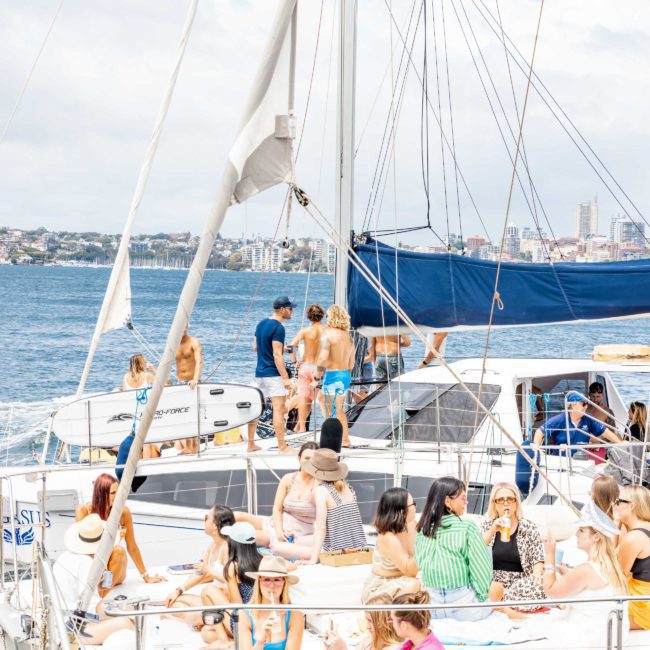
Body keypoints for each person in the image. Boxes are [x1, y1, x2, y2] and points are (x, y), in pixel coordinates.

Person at [541, 503, 628, 646]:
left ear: (596, 537)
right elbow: (594, 587)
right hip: (612, 634)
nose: (576, 534)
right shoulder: (612, 565)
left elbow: (550, 591)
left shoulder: (586, 570)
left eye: (581, 530)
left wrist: (549, 554)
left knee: (542, 623)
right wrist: (569, 574)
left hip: (590, 638)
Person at [414, 477, 492, 621]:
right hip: (463, 606)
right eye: (463, 498)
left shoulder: (421, 530)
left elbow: (419, 563)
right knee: (495, 592)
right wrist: (482, 598)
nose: (466, 502)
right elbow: (481, 569)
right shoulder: (467, 527)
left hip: (433, 607)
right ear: (448, 501)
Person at [75, 473, 164, 594]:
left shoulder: (123, 512)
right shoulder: (84, 511)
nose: (118, 496)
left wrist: (146, 576)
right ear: (101, 494)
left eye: (118, 492)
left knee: (119, 551)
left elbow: (132, 546)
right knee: (108, 555)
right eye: (113, 493)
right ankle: (103, 588)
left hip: (114, 566)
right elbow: (82, 547)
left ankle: (104, 592)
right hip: (93, 563)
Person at [53, 514, 134, 644]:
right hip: (74, 627)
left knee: (122, 612)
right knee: (127, 623)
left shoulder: (63, 557)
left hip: (59, 619)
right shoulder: (87, 563)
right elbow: (90, 608)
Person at [165, 505, 235, 627]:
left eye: (207, 518)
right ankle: (199, 621)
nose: (204, 521)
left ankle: (195, 621)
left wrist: (208, 570)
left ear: (215, 525)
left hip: (223, 600)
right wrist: (179, 590)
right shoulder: (212, 546)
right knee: (174, 602)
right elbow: (199, 573)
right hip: (211, 599)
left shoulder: (227, 547)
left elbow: (232, 580)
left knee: (178, 607)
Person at [479, 482, 545, 612]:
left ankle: (499, 604)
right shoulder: (487, 526)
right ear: (494, 504)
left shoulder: (529, 527)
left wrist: (537, 572)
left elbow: (538, 557)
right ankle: (504, 603)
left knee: (530, 588)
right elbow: (477, 552)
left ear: (516, 503)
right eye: (500, 500)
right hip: (493, 582)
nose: (505, 503)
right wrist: (493, 530)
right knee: (487, 589)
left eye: (510, 499)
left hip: (520, 582)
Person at [200, 521, 263, 648]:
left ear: (234, 543)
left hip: (245, 623)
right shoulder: (262, 558)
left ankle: (224, 640)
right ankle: (229, 640)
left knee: (208, 590)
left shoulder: (233, 567)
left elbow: (237, 604)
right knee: (207, 633)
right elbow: (290, 566)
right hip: (259, 622)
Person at [247, 297, 296, 453]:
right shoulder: (279, 328)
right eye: (290, 309)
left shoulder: (261, 324)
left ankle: (250, 444)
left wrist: (282, 349)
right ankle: (282, 446)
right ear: (282, 310)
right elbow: (276, 355)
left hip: (259, 373)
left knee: (256, 409)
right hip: (273, 375)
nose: (292, 311)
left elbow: (256, 347)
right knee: (279, 409)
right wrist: (286, 379)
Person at [300, 448, 366, 563]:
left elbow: (321, 529)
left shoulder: (321, 491)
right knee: (301, 541)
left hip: (337, 554)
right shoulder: (348, 488)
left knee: (295, 543)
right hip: (360, 552)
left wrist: (313, 560)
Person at [362, 488, 420, 603]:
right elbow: (410, 570)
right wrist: (425, 546)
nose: (416, 507)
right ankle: (390, 616)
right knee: (415, 584)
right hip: (380, 589)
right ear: (402, 512)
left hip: (400, 581)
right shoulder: (387, 538)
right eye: (414, 504)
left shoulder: (412, 525)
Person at [239, 555, 304, 650]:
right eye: (267, 579)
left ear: (284, 583)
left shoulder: (295, 616)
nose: (272, 586)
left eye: (277, 580)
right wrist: (261, 640)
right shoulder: (245, 615)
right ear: (259, 582)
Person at [312, 305, 355, 447]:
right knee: (329, 404)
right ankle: (335, 433)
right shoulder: (349, 337)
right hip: (344, 374)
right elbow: (351, 363)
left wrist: (316, 378)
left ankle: (343, 439)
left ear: (331, 317)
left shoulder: (328, 335)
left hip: (332, 375)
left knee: (335, 410)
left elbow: (322, 359)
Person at [268, 441, 319, 559]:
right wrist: (279, 532)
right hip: (276, 527)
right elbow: (277, 508)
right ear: (299, 458)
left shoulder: (319, 484)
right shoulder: (288, 479)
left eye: (314, 459)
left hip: (302, 535)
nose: (310, 462)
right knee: (237, 517)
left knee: (277, 546)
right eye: (306, 458)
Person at [533, 391, 621, 458]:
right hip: (561, 461)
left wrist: (620, 443)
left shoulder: (588, 418)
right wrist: (538, 450)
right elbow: (540, 431)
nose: (586, 406)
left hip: (581, 460)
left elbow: (605, 432)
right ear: (573, 405)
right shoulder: (560, 419)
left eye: (587, 404)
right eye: (584, 404)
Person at [613, 484, 650, 629]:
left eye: (618, 502)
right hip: (643, 597)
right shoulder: (641, 530)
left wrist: (616, 522)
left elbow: (616, 577)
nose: (614, 505)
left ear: (632, 506)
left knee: (593, 612)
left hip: (643, 606)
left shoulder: (634, 537)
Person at [289, 303, 325, 432]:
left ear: (309, 317)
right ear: (322, 315)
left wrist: (294, 362)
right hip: (319, 368)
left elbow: (291, 346)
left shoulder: (304, 331)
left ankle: (302, 427)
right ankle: (327, 427)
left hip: (305, 367)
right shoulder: (326, 330)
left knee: (305, 398)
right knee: (321, 399)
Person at [323, 594, 403, 650]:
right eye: (367, 620)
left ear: (387, 622)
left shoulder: (396, 648)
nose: (367, 627)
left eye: (370, 621)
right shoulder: (368, 642)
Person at [174, 324, 203, 454]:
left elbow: (199, 361)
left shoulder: (194, 342)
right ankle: (188, 446)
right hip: (179, 382)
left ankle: (194, 446)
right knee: (183, 415)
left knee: (193, 414)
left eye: (185, 327)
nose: (183, 329)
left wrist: (195, 379)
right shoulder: (173, 343)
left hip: (192, 382)